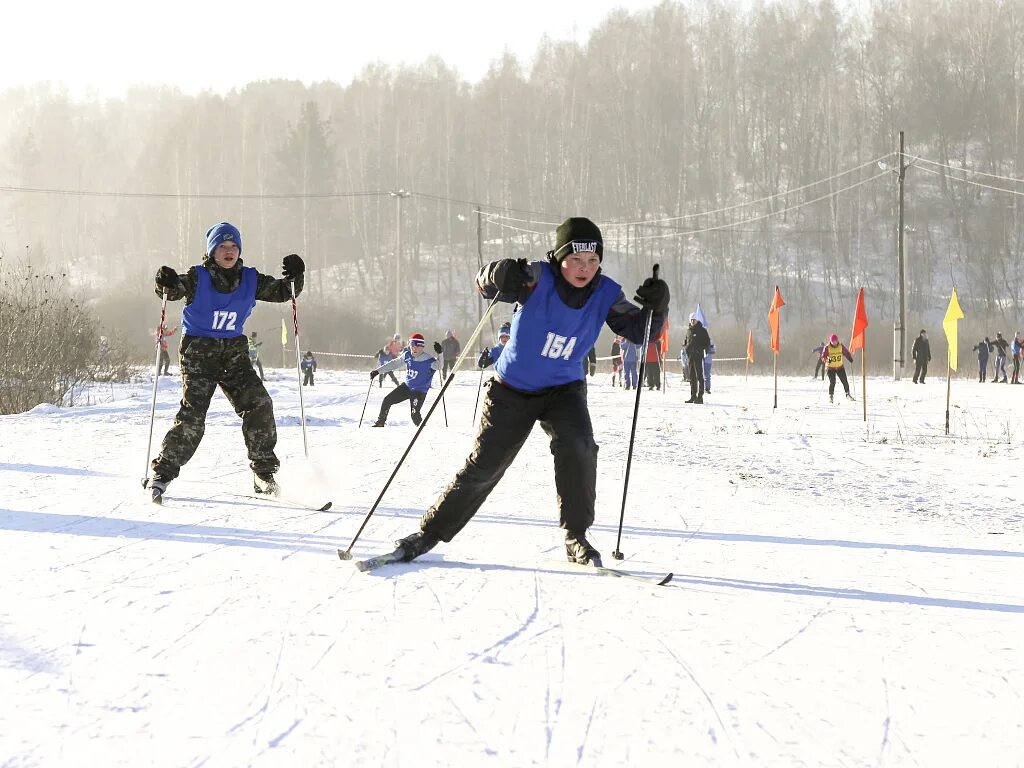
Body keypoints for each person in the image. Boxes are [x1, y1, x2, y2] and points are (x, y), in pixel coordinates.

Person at [389, 216, 669, 567]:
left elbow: (643, 332)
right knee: (486, 465)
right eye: (575, 260)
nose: (584, 268)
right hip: (512, 389)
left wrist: (659, 306)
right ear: (558, 258)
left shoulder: (607, 294)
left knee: (579, 448)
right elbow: (485, 285)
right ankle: (429, 534)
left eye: (592, 261)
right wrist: (498, 272)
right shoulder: (536, 277)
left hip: (563, 390)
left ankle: (577, 537)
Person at [148, 222, 304, 503]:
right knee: (194, 415)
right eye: (223, 246)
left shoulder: (250, 279)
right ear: (212, 251)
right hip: (199, 353)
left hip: (233, 353)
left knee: (259, 404)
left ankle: (263, 474)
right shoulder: (198, 278)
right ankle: (163, 474)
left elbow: (284, 291)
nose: (229, 251)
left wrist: (297, 275)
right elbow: (172, 291)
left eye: (234, 246)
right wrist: (166, 281)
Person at [369, 333, 443, 426]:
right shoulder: (407, 355)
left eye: (417, 346)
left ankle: (423, 431)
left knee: (414, 415)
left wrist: (440, 354)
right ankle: (381, 422)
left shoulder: (428, 359)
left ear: (422, 347)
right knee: (387, 400)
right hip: (407, 387)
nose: (414, 348)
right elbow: (394, 364)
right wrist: (378, 371)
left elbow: (439, 366)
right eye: (412, 345)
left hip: (419, 391)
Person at [683, 314, 710, 403]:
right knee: (692, 376)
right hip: (690, 356)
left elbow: (707, 343)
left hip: (698, 356)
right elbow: (686, 341)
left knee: (699, 376)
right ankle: (693, 395)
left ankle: (700, 396)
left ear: (697, 320)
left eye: (694, 320)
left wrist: (701, 350)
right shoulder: (688, 330)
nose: (692, 321)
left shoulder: (702, 331)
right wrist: (686, 348)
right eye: (691, 320)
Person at [822, 333, 854, 403]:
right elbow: (823, 357)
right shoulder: (827, 347)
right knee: (833, 382)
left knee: (844, 381)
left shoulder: (840, 346)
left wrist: (849, 358)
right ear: (830, 341)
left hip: (840, 367)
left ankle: (848, 394)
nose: (835, 343)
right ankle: (831, 396)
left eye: (836, 341)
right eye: (833, 342)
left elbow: (846, 352)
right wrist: (827, 360)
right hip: (830, 368)